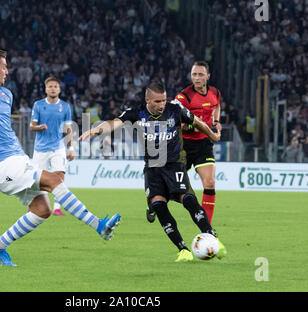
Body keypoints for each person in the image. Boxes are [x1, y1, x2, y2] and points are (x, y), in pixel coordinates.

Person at [0, 48, 121, 267]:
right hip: (3, 166)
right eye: (3, 67)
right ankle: (99, 225)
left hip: (18, 160)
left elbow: (1, 132)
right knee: (55, 181)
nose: (7, 71)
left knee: (43, 210)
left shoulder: (6, 95)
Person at [79, 82, 226, 262]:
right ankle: (183, 249)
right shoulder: (136, 113)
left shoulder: (175, 110)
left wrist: (213, 135)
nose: (162, 104)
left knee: (188, 200)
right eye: (157, 101)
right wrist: (96, 129)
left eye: (164, 100)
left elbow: (197, 122)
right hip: (152, 169)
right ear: (147, 100)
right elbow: (114, 123)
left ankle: (212, 238)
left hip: (174, 165)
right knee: (158, 205)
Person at [174, 61, 221, 223]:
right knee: (171, 184)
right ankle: (154, 204)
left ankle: (206, 228)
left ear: (208, 76)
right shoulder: (183, 97)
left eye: (201, 74)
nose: (197, 78)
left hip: (203, 145)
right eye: (194, 74)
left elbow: (217, 106)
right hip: (183, 146)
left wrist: (215, 121)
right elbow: (175, 123)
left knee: (209, 182)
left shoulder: (215, 92)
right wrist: (194, 127)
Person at [29, 76, 74, 216]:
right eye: (50, 86)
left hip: (58, 148)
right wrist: (39, 127)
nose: (53, 89)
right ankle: (34, 205)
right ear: (46, 89)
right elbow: (31, 126)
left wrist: (70, 148)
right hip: (40, 149)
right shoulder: (38, 105)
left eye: (55, 86)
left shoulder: (65, 107)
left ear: (59, 89)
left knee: (59, 176)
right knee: (36, 180)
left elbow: (68, 129)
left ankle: (57, 207)